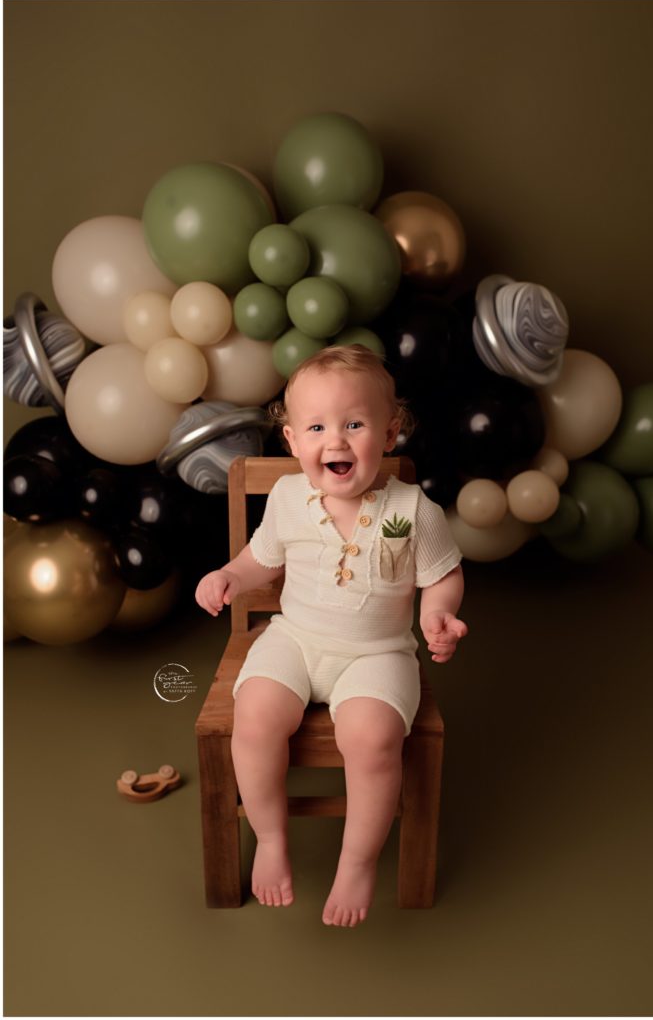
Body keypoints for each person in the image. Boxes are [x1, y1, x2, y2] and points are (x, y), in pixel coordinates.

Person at [195, 345, 467, 928]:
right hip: (294, 638)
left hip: (377, 654)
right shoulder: (289, 500)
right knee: (256, 714)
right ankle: (270, 837)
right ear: (292, 442)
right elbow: (259, 561)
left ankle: (358, 859)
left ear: (390, 433)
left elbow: (442, 574)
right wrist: (228, 576)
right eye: (317, 427)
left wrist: (436, 614)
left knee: (371, 739)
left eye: (355, 424)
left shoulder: (414, 510)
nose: (335, 441)